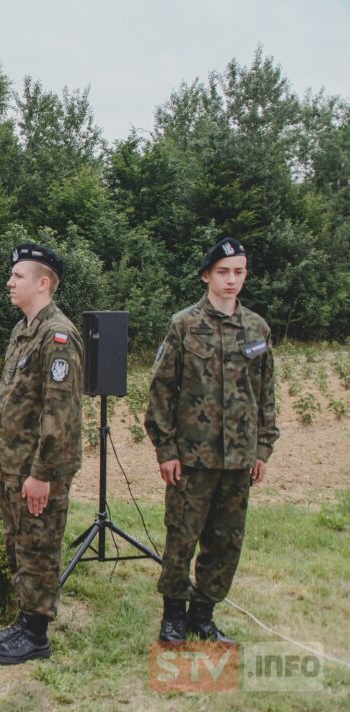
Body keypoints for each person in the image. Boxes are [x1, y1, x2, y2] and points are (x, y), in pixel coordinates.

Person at [145, 237, 279, 646]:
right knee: (181, 538)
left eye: (239, 271)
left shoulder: (257, 328)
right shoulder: (184, 324)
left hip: (239, 459)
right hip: (192, 458)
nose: (232, 279)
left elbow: (266, 394)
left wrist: (262, 449)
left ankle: (202, 616)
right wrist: (166, 450)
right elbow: (161, 392)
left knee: (225, 542)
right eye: (223, 271)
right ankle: (173, 617)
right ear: (207, 275)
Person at [0, 243, 82, 665]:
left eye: (17, 276)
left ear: (43, 283)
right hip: (11, 465)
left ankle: (37, 635)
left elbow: (60, 415)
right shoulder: (24, 329)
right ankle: (24, 621)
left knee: (38, 549)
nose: (9, 282)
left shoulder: (58, 335)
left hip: (36, 471)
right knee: (19, 546)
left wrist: (41, 474)